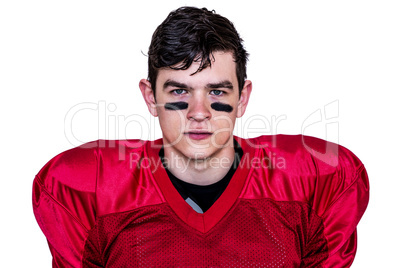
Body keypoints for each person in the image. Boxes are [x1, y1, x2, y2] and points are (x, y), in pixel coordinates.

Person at [32, 6, 369, 267]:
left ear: (243, 97)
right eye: (179, 90)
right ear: (150, 97)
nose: (198, 111)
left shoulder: (313, 182)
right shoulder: (88, 187)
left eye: (217, 91)